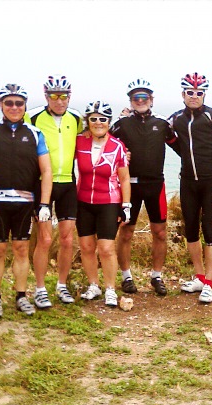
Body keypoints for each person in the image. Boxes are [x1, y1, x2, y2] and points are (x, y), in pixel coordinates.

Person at [0, 83, 52, 317]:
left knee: (22, 249)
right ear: (1, 105)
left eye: (19, 103)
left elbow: (47, 170)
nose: (14, 107)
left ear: (25, 105)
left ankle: (21, 296)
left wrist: (44, 204)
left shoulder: (35, 133)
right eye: (9, 103)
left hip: (25, 202)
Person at [110, 78, 177, 296]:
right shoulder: (121, 124)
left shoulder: (162, 124)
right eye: (136, 97)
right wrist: (120, 155)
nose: (140, 101)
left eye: (144, 97)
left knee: (160, 232)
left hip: (155, 184)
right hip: (130, 185)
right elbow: (103, 145)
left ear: (151, 99)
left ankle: (157, 276)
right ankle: (126, 277)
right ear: (130, 100)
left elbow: (182, 148)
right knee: (126, 232)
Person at [168, 73, 212, 303]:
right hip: (188, 182)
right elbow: (163, 133)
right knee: (191, 229)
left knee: (210, 230)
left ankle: (210, 283)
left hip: (211, 182)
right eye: (190, 92)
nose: (194, 97)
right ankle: (200, 276)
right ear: (183, 94)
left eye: (199, 93)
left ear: (204, 94)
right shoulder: (176, 119)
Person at [27, 75, 83, 308]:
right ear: (46, 96)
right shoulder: (32, 117)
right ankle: (40, 289)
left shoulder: (76, 119)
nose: (59, 101)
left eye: (64, 96)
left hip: (68, 182)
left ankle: (61, 285)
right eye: (54, 96)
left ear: (69, 96)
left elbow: (97, 133)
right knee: (45, 239)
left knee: (68, 240)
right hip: (41, 183)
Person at [75, 101, 131, 307]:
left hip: (108, 202)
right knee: (86, 246)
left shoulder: (117, 146)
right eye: (94, 119)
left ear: (109, 122)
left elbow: (124, 178)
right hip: (83, 202)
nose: (98, 123)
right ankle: (94, 285)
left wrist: (126, 206)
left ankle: (110, 289)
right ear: (87, 121)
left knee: (106, 248)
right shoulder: (79, 142)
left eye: (103, 119)